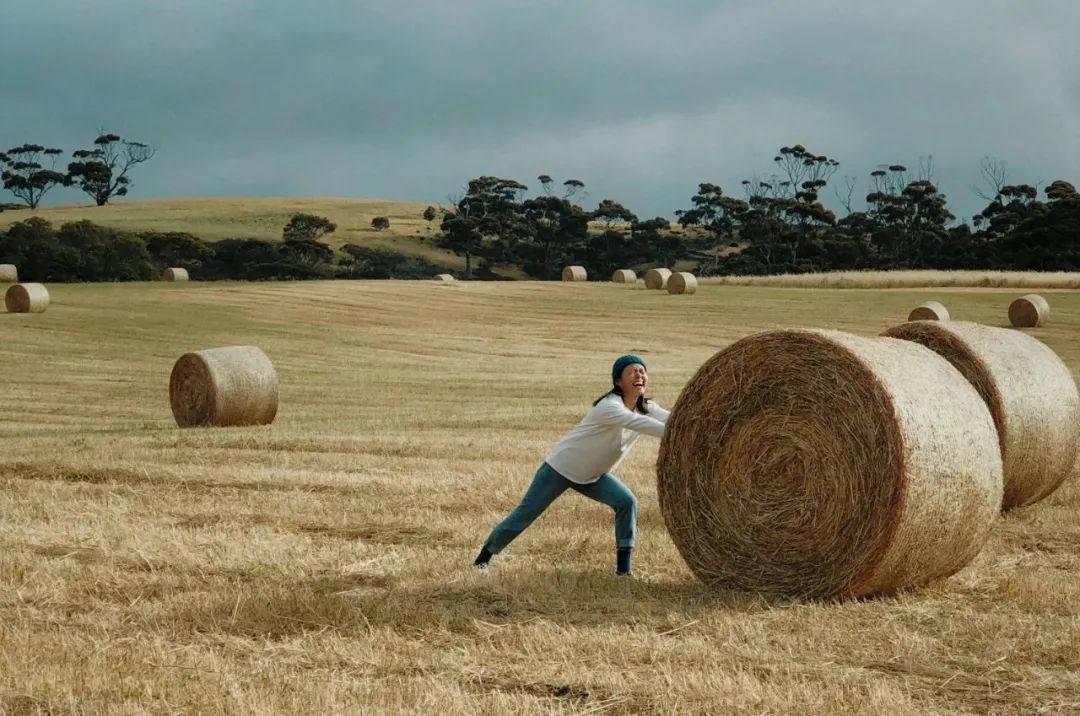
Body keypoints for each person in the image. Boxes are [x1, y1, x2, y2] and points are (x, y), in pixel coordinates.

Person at [473, 354, 669, 576]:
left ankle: (623, 572)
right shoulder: (610, 406)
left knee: (627, 502)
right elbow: (641, 424)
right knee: (525, 514)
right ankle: (482, 560)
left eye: (642, 371)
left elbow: (672, 418)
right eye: (633, 371)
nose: (639, 375)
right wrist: (679, 434)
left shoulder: (647, 407)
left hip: (592, 475)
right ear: (618, 381)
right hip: (561, 468)